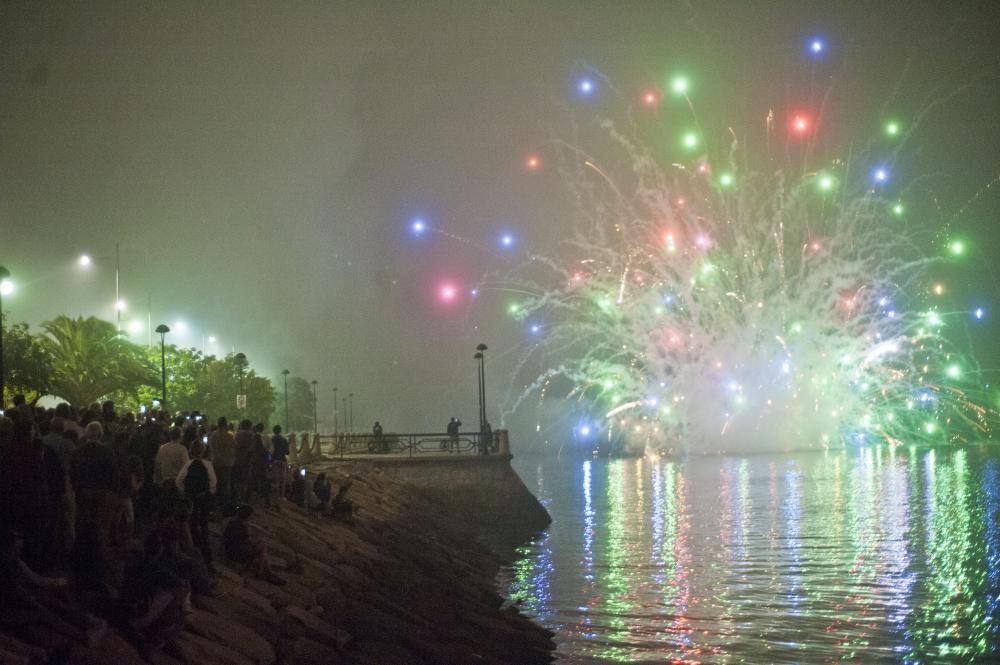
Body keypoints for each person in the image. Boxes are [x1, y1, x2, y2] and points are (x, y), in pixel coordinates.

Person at [176, 442, 217, 567]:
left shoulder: (188, 464)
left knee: (192, 520)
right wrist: (209, 492)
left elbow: (179, 480)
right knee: (203, 521)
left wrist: (184, 492)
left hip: (191, 496)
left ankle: (193, 541)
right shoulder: (208, 464)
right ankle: (204, 545)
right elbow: (213, 481)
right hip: (203, 497)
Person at [223, 505, 284, 585]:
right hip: (236, 553)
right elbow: (246, 541)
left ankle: (268, 573)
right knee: (262, 548)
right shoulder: (242, 527)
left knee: (261, 548)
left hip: (229, 550)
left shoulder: (233, 522)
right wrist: (255, 542)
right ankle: (262, 573)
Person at [208, 417, 236, 507]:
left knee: (216, 484)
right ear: (225, 424)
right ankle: (224, 507)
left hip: (215, 462)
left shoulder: (213, 435)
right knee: (225, 486)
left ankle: (214, 506)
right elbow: (234, 445)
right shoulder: (228, 435)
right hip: (226, 463)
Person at [232, 420, 255, 503]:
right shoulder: (251, 435)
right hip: (247, 461)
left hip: (237, 460)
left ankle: (238, 498)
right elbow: (252, 449)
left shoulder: (237, 435)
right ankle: (244, 499)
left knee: (238, 481)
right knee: (245, 480)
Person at [271, 425, 289, 501]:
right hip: (283, 460)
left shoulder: (271, 439)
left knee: (276, 479)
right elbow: (287, 452)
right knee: (283, 479)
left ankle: (276, 496)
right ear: (280, 431)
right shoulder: (284, 440)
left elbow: (270, 451)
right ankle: (282, 496)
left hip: (275, 460)